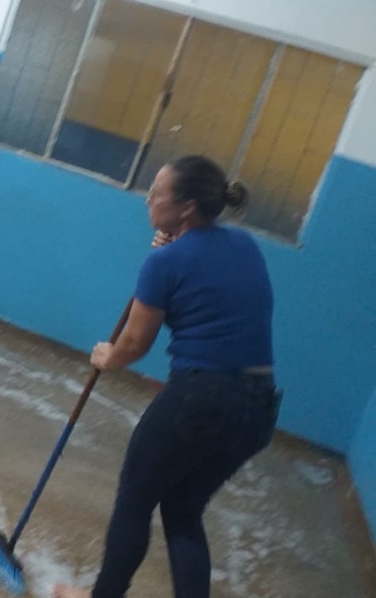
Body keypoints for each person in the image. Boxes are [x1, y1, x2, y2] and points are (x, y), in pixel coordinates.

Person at [54, 155, 280, 598]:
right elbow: (207, 271)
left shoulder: (163, 264)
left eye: (157, 194)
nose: (148, 201)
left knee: (135, 500)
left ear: (187, 208)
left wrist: (106, 357)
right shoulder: (245, 246)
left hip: (201, 398)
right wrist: (176, 244)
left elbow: (135, 345)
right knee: (183, 507)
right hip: (258, 408)